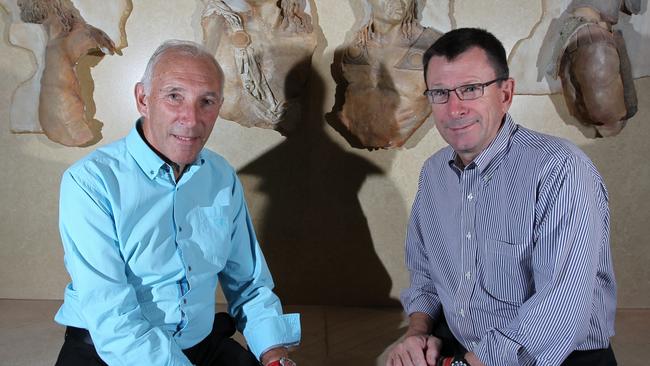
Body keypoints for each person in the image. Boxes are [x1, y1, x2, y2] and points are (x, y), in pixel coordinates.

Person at [53, 40, 300, 366]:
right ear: (143, 99)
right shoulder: (89, 182)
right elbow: (112, 315)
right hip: (110, 349)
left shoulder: (221, 176)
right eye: (174, 96)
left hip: (199, 343)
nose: (191, 118)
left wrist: (274, 355)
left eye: (207, 102)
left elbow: (249, 284)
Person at [387, 28, 617, 366]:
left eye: (470, 89)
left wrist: (470, 363)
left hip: (559, 357)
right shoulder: (433, 174)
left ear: (505, 94)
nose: (454, 108)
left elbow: (561, 306)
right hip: (466, 352)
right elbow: (424, 275)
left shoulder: (560, 169)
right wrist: (416, 335)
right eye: (440, 92)